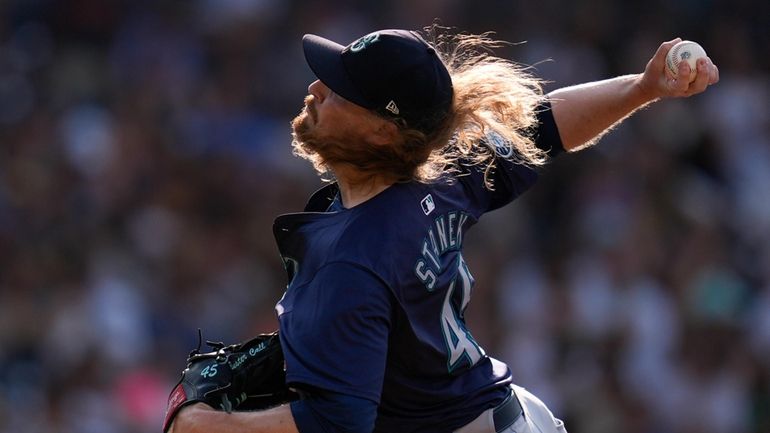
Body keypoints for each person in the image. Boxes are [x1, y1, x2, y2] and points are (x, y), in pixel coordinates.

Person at [169, 27, 719, 433]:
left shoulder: (350, 262)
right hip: (506, 417)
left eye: (340, 91)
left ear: (384, 133)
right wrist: (643, 87)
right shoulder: (437, 177)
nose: (315, 88)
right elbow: (545, 126)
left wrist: (202, 425)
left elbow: (337, 426)